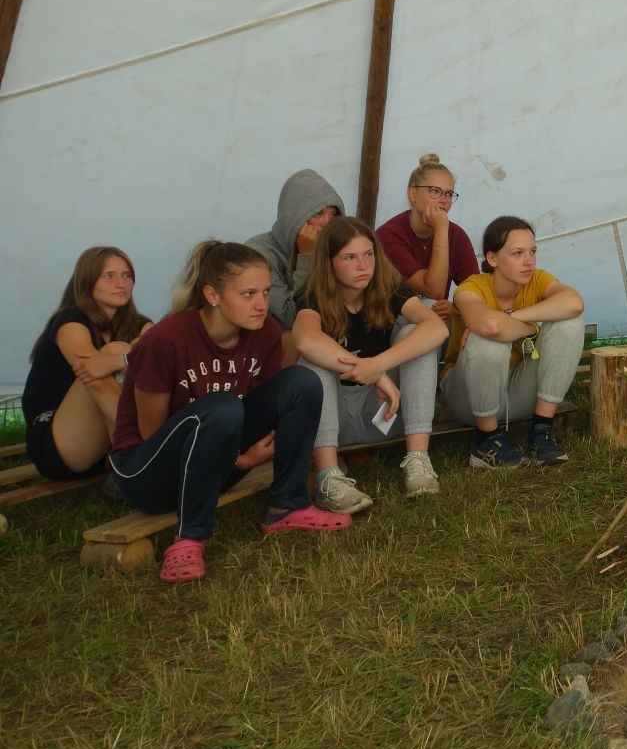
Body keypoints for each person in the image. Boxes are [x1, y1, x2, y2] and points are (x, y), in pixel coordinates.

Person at [108, 241, 347, 584]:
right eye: (248, 294)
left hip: (217, 461)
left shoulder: (264, 333)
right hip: (147, 474)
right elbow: (151, 433)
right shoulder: (165, 340)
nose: (261, 304)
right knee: (223, 406)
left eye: (265, 292)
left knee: (301, 382)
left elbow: (263, 406)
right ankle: (188, 539)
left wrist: (242, 457)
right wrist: (239, 461)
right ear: (212, 295)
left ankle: (288, 506)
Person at [292, 217, 449, 511]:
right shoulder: (312, 296)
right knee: (313, 361)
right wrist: (372, 372)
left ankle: (418, 460)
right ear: (329, 262)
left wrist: (379, 365)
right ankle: (329, 478)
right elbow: (305, 339)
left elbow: (437, 328)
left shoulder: (388, 286)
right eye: (350, 258)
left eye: (368, 254)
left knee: (416, 334)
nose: (363, 265)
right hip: (333, 418)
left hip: (383, 411)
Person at [440, 216, 585, 468]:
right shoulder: (470, 288)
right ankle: (486, 441)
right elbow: (491, 326)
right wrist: (529, 326)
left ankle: (541, 430)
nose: (529, 261)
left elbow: (574, 303)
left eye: (532, 251)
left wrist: (513, 318)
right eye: (518, 253)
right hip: (469, 400)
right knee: (487, 339)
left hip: (516, 389)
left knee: (569, 322)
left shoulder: (537, 279)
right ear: (493, 258)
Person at [21, 247, 152, 480]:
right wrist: (126, 356)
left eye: (127, 275)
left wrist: (125, 359)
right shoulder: (70, 321)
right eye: (109, 276)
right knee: (116, 350)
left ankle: (139, 455)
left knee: (135, 354)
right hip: (58, 443)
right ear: (87, 281)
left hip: (103, 445)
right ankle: (139, 461)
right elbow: (92, 371)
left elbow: (165, 359)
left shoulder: (139, 324)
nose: (121, 283)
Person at [377, 153, 478, 323]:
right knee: (428, 309)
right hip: (393, 322)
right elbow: (433, 291)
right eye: (435, 191)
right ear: (412, 194)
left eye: (449, 194)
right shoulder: (389, 235)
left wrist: (456, 307)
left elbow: (476, 290)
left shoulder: (457, 235)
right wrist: (441, 230)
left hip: (438, 320)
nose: (444, 200)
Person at [245, 168, 345, 330]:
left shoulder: (335, 247)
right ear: (294, 216)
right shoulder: (259, 253)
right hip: (277, 338)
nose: (327, 222)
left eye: (333, 214)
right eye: (318, 214)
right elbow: (292, 318)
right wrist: (306, 256)